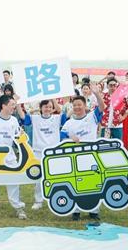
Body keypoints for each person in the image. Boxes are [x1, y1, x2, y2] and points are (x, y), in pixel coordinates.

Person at [60, 83, 106, 224]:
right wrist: (70, 139)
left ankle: (94, 211)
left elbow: (102, 107)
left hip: (91, 156)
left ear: (85, 105)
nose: (77, 107)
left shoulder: (92, 117)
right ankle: (76, 211)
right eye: (75, 105)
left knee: (94, 183)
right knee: (76, 184)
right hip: (76, 159)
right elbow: (62, 139)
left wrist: (97, 93)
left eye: (79, 105)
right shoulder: (69, 123)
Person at [30, 99, 62, 210]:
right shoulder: (35, 118)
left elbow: (59, 110)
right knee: (39, 178)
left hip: (53, 152)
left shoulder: (57, 118)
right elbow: (24, 116)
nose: (47, 109)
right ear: (41, 108)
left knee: (55, 177)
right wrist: (35, 110)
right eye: (45, 107)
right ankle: (38, 201)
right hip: (38, 152)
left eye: (49, 107)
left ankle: (54, 198)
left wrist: (52, 98)